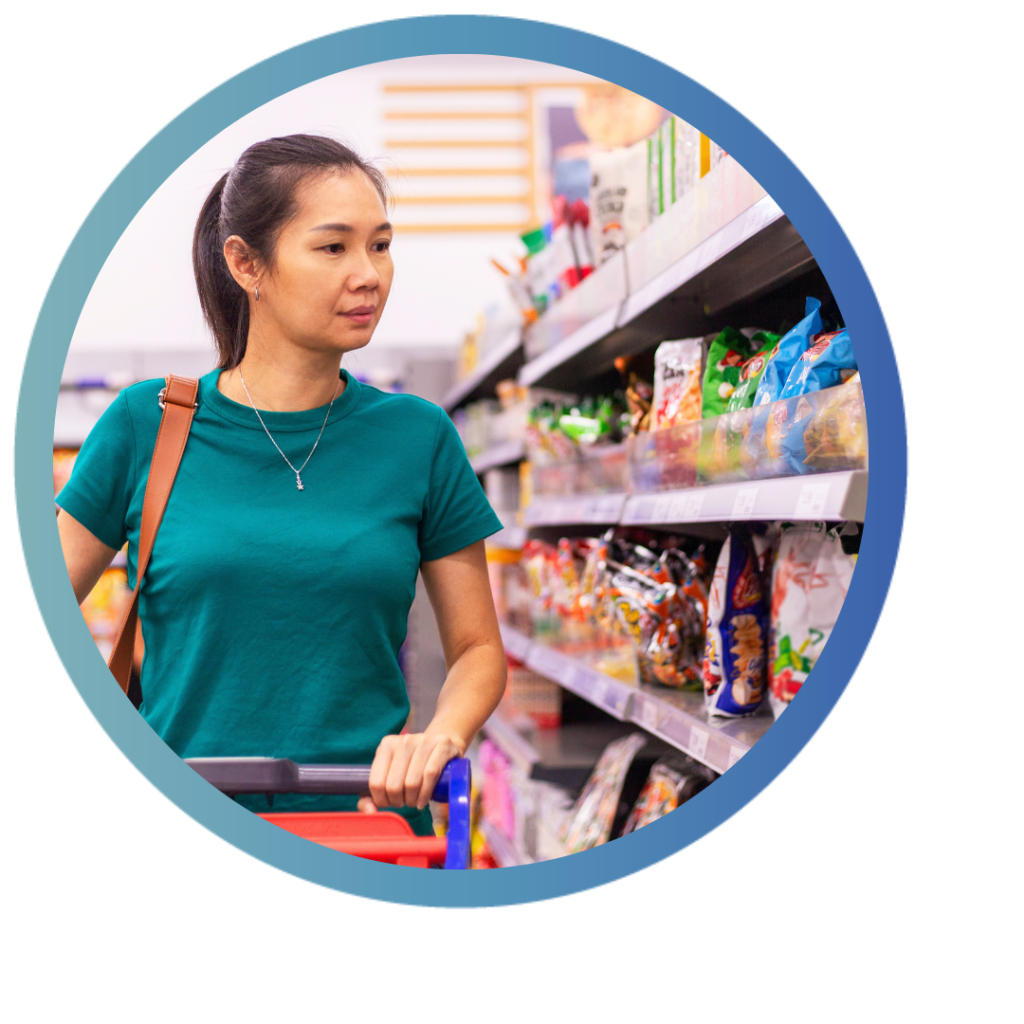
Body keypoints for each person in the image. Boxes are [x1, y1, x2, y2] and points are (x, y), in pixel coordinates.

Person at [56, 135, 507, 836]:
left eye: (381, 246)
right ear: (246, 264)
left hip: (369, 831)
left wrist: (440, 734)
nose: (369, 275)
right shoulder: (145, 426)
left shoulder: (417, 436)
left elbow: (478, 649)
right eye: (334, 248)